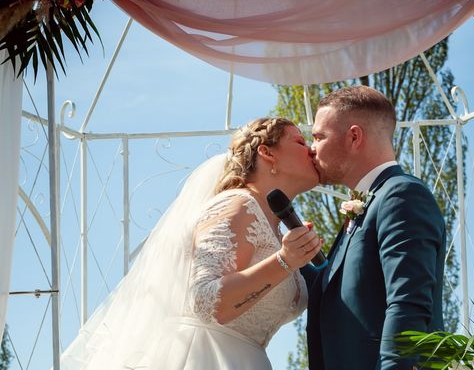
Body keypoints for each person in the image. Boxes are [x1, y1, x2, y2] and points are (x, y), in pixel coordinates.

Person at [59, 117, 322, 369]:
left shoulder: (275, 225)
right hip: (204, 359)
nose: (311, 150)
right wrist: (285, 260)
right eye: (300, 142)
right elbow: (207, 299)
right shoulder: (237, 204)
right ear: (267, 153)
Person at [304, 86, 446, 370]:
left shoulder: (401, 195)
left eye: (319, 137)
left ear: (354, 136)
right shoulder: (368, 203)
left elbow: (408, 303)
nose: (312, 148)